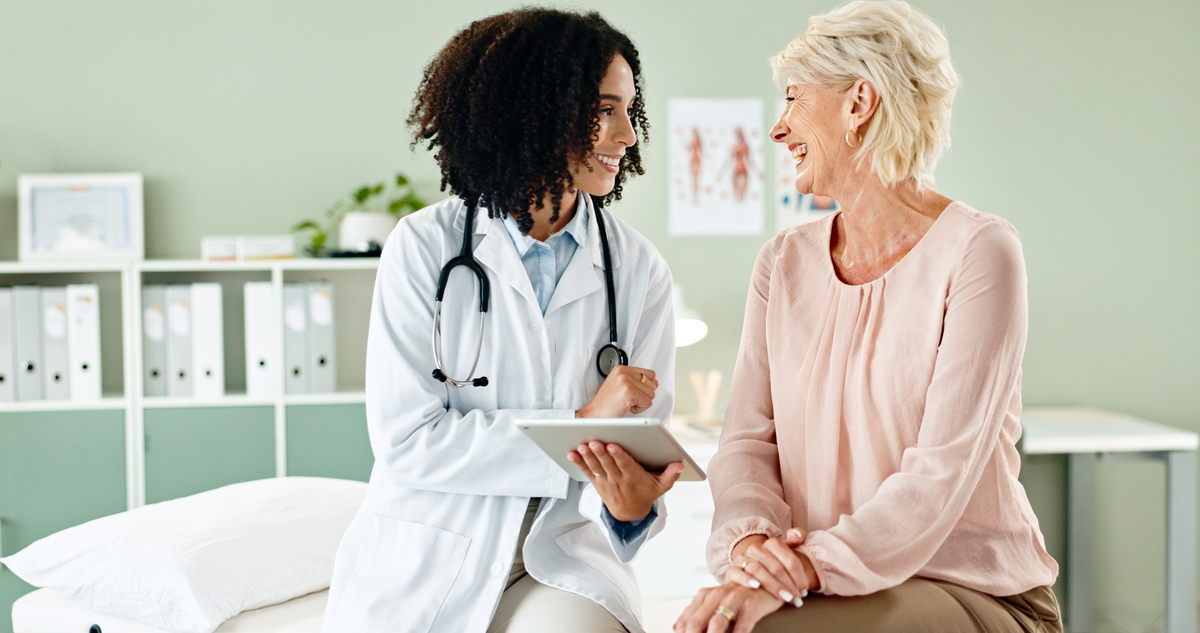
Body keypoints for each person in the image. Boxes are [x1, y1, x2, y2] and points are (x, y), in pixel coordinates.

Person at [675, 2, 1061, 632]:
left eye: (795, 98)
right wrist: (750, 551)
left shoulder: (979, 252)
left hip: (967, 587)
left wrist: (803, 569)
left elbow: (940, 474)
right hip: (824, 580)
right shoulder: (783, 262)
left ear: (859, 104)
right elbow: (746, 444)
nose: (779, 128)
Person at [321, 9, 681, 633]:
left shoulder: (637, 270)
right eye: (603, 110)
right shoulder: (424, 248)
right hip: (431, 552)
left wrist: (629, 510)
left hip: (560, 555)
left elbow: (637, 451)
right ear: (533, 110)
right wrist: (579, 427)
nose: (627, 134)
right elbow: (407, 441)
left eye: (630, 109)